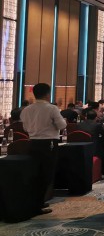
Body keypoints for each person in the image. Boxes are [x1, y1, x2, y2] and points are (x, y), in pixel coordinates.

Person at [21, 83, 67, 215]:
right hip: (49, 143)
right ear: (47, 94)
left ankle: (38, 202)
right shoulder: (52, 108)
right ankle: (37, 206)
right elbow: (62, 125)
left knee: (36, 173)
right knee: (46, 175)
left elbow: (25, 128)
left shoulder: (26, 109)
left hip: (32, 143)